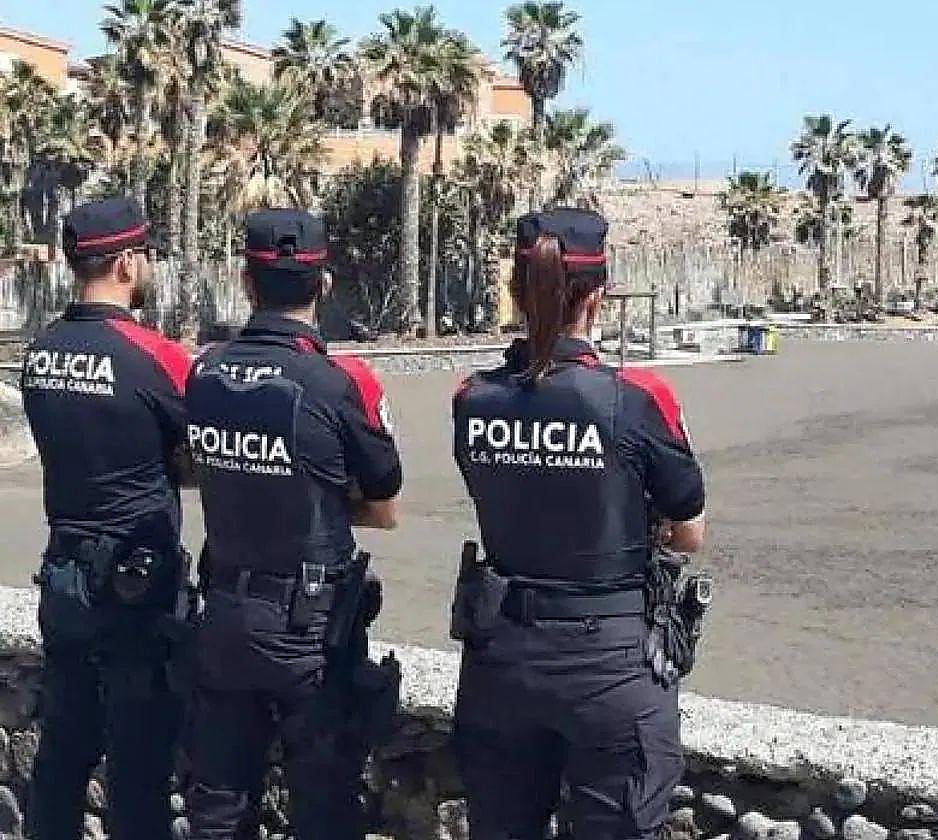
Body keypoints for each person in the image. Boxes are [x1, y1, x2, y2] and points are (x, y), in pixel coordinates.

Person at [451, 208, 707, 840]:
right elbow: (689, 532)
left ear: (516, 288)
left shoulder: (473, 397)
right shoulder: (636, 399)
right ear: (599, 295)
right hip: (607, 660)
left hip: (501, 656)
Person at [184, 208, 402, 840]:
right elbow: (385, 509)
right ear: (324, 284)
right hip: (309, 625)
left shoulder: (204, 372)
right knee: (325, 804)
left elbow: (193, 465)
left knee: (219, 806)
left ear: (247, 284)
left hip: (223, 609)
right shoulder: (340, 383)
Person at [21, 196, 191, 839]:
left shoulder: (42, 352)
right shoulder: (153, 355)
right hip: (136, 584)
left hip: (64, 573)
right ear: (125, 262)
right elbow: (199, 451)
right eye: (144, 256)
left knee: (62, 751)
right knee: (138, 764)